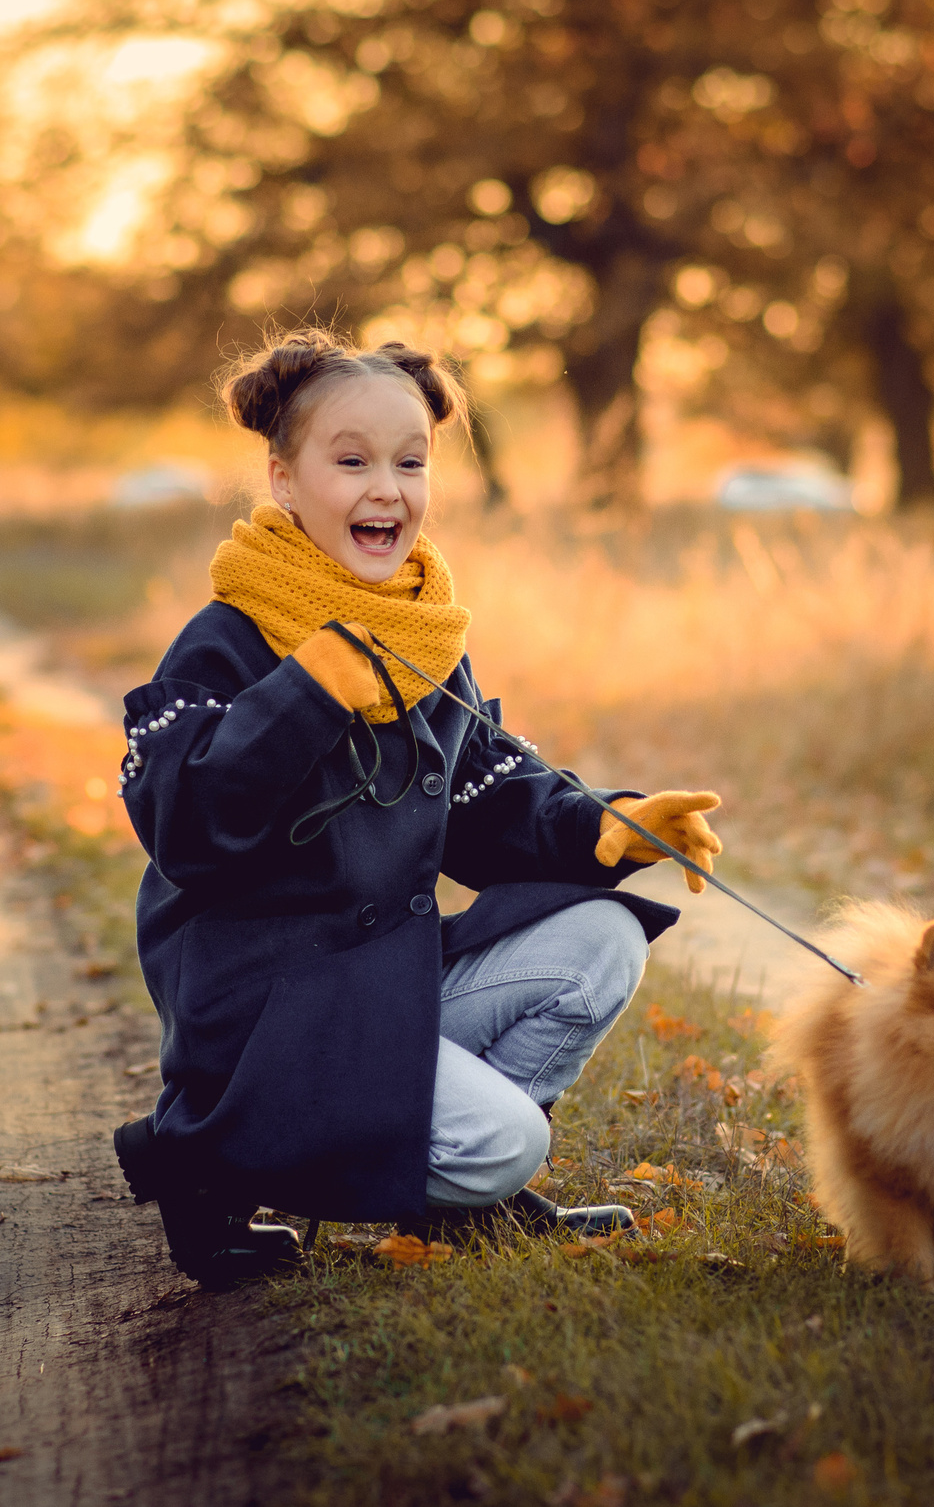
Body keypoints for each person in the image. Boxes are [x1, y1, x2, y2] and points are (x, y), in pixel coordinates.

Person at [109, 330, 725, 1283]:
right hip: (272, 1021)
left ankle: (458, 1205)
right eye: (350, 461)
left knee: (603, 934)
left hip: (383, 987)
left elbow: (489, 794)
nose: (385, 488)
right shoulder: (227, 638)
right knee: (508, 1142)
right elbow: (181, 827)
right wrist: (304, 694)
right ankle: (209, 1165)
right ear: (284, 480)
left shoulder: (422, 633)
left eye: (410, 462)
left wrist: (605, 824)